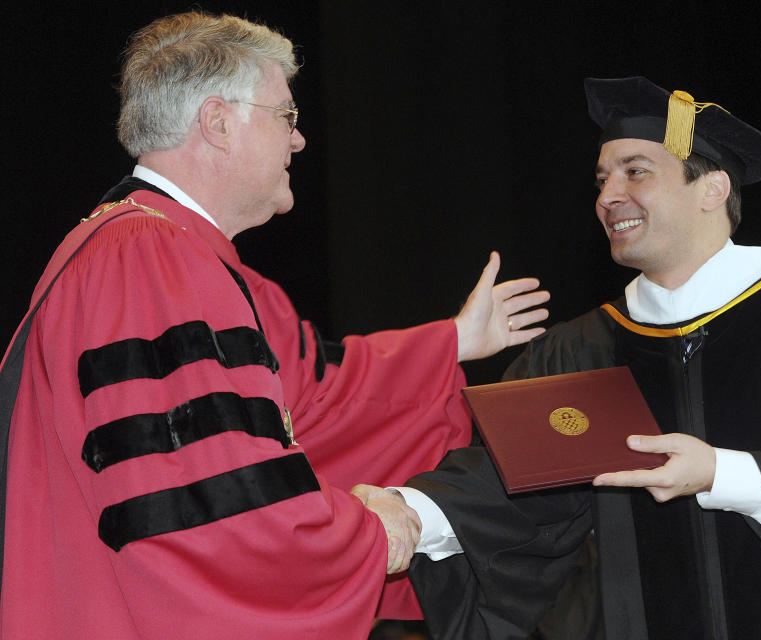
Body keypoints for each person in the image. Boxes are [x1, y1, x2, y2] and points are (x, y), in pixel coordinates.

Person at [0, 12, 550, 639]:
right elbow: (204, 501)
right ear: (217, 122)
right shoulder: (146, 261)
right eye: (286, 116)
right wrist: (369, 534)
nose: (300, 141)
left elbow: (311, 399)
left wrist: (452, 342)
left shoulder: (179, 256)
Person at [383, 76, 761, 639]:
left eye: (636, 171)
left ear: (713, 188)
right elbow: (510, 489)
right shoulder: (581, 350)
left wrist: (722, 473)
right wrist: (403, 513)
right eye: (602, 179)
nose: (607, 196)